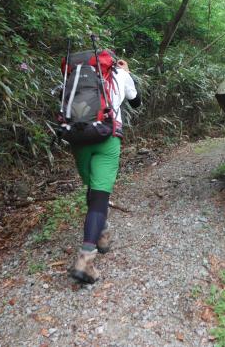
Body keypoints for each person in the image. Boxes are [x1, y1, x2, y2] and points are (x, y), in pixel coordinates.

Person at [69, 58, 141, 284]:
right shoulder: (119, 74)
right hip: (106, 138)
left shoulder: (73, 77)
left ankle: (102, 232)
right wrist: (127, 72)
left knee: (92, 189)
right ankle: (85, 260)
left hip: (77, 138)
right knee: (99, 195)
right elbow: (136, 101)